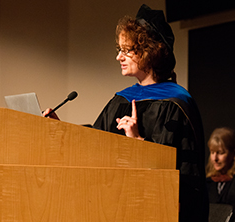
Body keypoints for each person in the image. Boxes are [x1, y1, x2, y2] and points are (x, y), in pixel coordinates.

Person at [43, 4, 208, 222]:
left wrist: (139, 142)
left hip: (155, 211)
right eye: (119, 50)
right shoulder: (121, 99)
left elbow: (184, 175)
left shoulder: (176, 104)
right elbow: (96, 139)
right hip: (117, 204)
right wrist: (59, 126)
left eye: (127, 50)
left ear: (149, 52)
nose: (119, 57)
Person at [206, 127, 235, 210]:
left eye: (220, 153)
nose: (215, 158)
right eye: (212, 152)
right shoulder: (207, 184)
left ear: (233, 154)